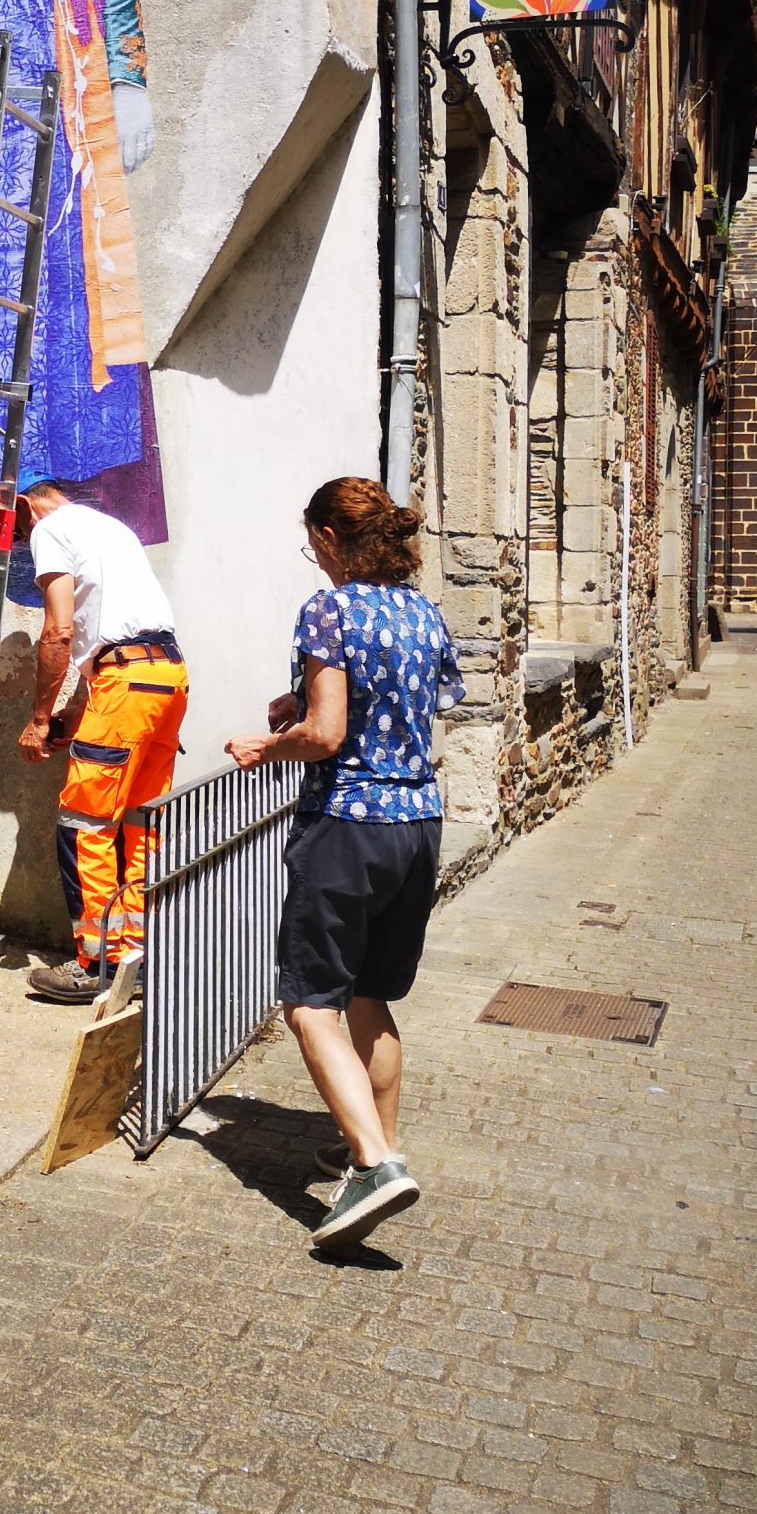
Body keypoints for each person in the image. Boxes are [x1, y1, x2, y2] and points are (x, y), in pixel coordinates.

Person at [225, 476, 465, 1252]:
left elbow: (328, 736)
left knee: (310, 1005)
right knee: (370, 999)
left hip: (347, 828)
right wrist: (299, 706)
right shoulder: (423, 612)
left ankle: (373, 1162)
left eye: (313, 545)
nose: (315, 560)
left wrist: (269, 744)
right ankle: (378, 1150)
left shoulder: (329, 610)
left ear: (331, 538)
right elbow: (418, 705)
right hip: (418, 825)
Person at [15, 475, 187, 1002]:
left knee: (83, 823)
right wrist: (75, 712)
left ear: (27, 505)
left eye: (16, 527)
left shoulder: (48, 528)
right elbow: (108, 640)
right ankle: (138, 956)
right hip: (165, 676)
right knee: (139, 824)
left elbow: (60, 632)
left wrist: (39, 717)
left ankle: (98, 963)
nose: (21, 539)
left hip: (124, 684)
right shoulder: (110, 528)